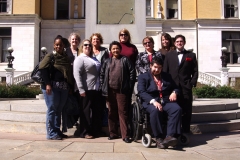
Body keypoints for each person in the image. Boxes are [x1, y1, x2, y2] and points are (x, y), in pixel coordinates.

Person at [137, 57, 182, 149]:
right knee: (155, 110)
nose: (157, 70)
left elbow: (176, 87)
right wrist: (153, 101)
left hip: (165, 101)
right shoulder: (143, 77)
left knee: (177, 109)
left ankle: (170, 136)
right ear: (151, 66)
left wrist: (174, 92)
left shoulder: (167, 76)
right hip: (150, 102)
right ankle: (158, 137)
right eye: (155, 67)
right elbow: (142, 92)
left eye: (159, 68)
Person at [100, 41, 136, 143]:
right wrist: (103, 87)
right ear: (110, 50)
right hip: (110, 91)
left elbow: (132, 73)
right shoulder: (107, 61)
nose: (115, 50)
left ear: (120, 49)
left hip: (122, 91)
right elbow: (102, 75)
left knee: (122, 112)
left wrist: (129, 86)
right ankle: (113, 133)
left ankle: (125, 135)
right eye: (113, 49)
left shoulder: (125, 60)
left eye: (117, 48)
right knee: (111, 112)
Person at [163, 34, 198, 134]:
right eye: (177, 41)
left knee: (187, 111)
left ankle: (186, 131)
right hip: (172, 88)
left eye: (181, 41)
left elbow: (195, 71)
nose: (179, 43)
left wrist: (191, 83)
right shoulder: (169, 55)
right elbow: (165, 71)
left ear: (184, 43)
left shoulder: (191, 55)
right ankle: (175, 132)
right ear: (174, 43)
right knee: (175, 110)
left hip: (185, 87)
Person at [39, 36, 73, 140]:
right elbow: (42, 69)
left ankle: (57, 131)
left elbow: (68, 73)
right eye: (57, 44)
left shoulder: (66, 57)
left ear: (64, 46)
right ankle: (51, 133)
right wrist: (48, 84)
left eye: (61, 44)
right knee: (52, 109)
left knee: (59, 110)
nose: (59, 46)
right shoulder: (50, 56)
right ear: (54, 45)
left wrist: (70, 86)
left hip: (63, 87)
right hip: (52, 87)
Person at [73, 39, 101, 139]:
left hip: (95, 89)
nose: (87, 46)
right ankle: (85, 132)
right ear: (82, 47)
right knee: (85, 111)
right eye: (85, 45)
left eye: (89, 45)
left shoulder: (94, 59)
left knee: (95, 111)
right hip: (86, 89)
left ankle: (94, 130)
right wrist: (81, 89)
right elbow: (77, 74)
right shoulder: (80, 59)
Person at [62, 32, 81, 132]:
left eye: (76, 39)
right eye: (73, 39)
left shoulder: (80, 52)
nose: (74, 41)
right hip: (69, 81)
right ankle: (67, 124)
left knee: (77, 102)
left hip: (78, 82)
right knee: (68, 103)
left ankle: (75, 120)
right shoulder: (66, 52)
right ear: (70, 41)